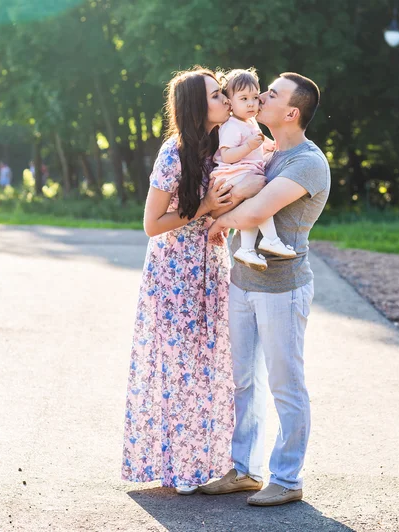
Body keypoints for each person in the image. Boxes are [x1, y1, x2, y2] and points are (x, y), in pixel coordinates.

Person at [120, 67, 265, 495]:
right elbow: (151, 224)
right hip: (175, 275)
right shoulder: (174, 152)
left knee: (210, 368)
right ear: (197, 106)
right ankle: (180, 469)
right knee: (180, 370)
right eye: (217, 95)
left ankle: (213, 464)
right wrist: (203, 206)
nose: (225, 99)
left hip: (212, 267)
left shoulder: (220, 148)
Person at [200, 72, 331, 506]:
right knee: (242, 382)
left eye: (271, 94)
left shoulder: (307, 162)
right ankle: (243, 470)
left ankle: (288, 478)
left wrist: (219, 219)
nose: (260, 97)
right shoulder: (268, 151)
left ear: (291, 112)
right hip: (243, 282)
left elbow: (254, 210)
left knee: (284, 384)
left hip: (282, 289)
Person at [211, 68, 295, 271]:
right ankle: (270, 238)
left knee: (253, 205)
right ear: (229, 102)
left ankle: (247, 249)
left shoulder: (250, 122)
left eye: (255, 97)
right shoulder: (231, 126)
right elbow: (227, 156)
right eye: (243, 98)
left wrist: (268, 145)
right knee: (259, 200)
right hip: (232, 175)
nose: (251, 103)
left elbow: (259, 140)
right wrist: (248, 146)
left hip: (244, 173)